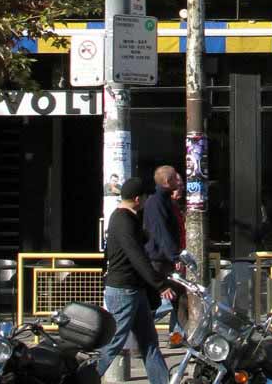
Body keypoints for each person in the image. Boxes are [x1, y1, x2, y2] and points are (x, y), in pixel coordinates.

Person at [96, 176, 175, 384]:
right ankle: (87, 377)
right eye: (146, 197)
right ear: (138, 199)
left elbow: (139, 241)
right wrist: (160, 285)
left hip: (135, 290)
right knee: (114, 341)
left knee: (149, 342)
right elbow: (137, 257)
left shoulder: (127, 218)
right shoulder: (122, 220)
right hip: (124, 290)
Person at [143, 165, 185, 337]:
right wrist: (175, 257)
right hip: (159, 260)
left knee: (180, 296)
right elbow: (162, 233)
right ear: (168, 182)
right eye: (176, 179)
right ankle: (141, 336)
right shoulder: (156, 202)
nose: (180, 183)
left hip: (163, 259)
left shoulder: (166, 201)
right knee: (156, 300)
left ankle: (178, 335)